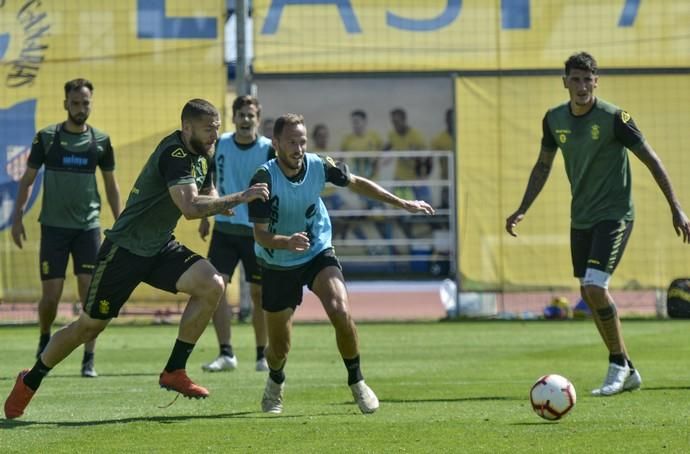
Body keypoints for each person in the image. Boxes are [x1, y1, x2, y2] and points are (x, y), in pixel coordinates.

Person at [4, 99, 270, 419]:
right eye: (208, 130)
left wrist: (217, 204)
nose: (214, 135)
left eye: (216, 129)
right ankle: (30, 380)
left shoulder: (205, 152)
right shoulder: (174, 154)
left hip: (158, 247)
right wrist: (240, 197)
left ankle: (174, 370)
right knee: (88, 327)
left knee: (212, 284)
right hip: (125, 250)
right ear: (187, 128)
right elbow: (188, 207)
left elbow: (207, 191)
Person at [505, 52, 690, 397]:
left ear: (596, 82)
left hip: (615, 215)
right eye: (575, 79)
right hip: (582, 218)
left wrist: (676, 207)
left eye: (587, 79)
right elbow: (542, 166)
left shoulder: (614, 118)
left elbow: (652, 160)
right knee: (586, 292)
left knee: (593, 286)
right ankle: (629, 369)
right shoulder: (553, 119)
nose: (581, 86)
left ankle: (618, 364)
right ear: (565, 82)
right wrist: (522, 208)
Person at [248, 113, 435, 414]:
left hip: (316, 251)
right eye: (291, 142)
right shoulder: (263, 178)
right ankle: (275, 380)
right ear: (276, 144)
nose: (298, 148)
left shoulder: (320, 165)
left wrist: (403, 204)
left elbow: (358, 183)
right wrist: (286, 241)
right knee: (279, 348)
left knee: (340, 309)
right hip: (278, 261)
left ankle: (357, 382)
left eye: (302, 141)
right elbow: (260, 235)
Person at [10, 78, 122, 378]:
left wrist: (122, 223)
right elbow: (27, 180)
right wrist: (17, 217)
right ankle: (45, 337)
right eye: (75, 103)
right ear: (65, 104)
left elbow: (111, 187)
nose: (81, 108)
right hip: (54, 230)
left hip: (88, 229)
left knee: (89, 295)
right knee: (51, 297)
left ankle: (88, 357)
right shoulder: (47, 139)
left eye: (86, 103)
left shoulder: (101, 141)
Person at [198, 95, 272, 373]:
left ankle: (262, 355)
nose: (245, 120)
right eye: (241, 115)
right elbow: (209, 179)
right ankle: (226, 353)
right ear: (233, 117)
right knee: (215, 289)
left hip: (257, 233)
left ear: (258, 118)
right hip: (225, 232)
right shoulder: (221, 145)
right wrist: (207, 215)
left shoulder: (268, 149)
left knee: (259, 295)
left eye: (250, 115)